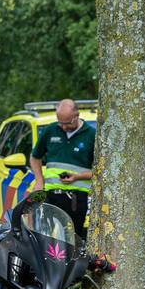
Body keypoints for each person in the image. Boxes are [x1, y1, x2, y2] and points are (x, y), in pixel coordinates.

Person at [29, 99, 96, 239]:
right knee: (46, 237)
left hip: (77, 198)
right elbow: (35, 158)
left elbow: (100, 171)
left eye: (67, 123)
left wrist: (77, 177)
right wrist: (39, 181)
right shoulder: (51, 130)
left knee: (73, 238)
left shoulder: (91, 135)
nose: (63, 127)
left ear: (76, 116)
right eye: (61, 123)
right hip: (50, 195)